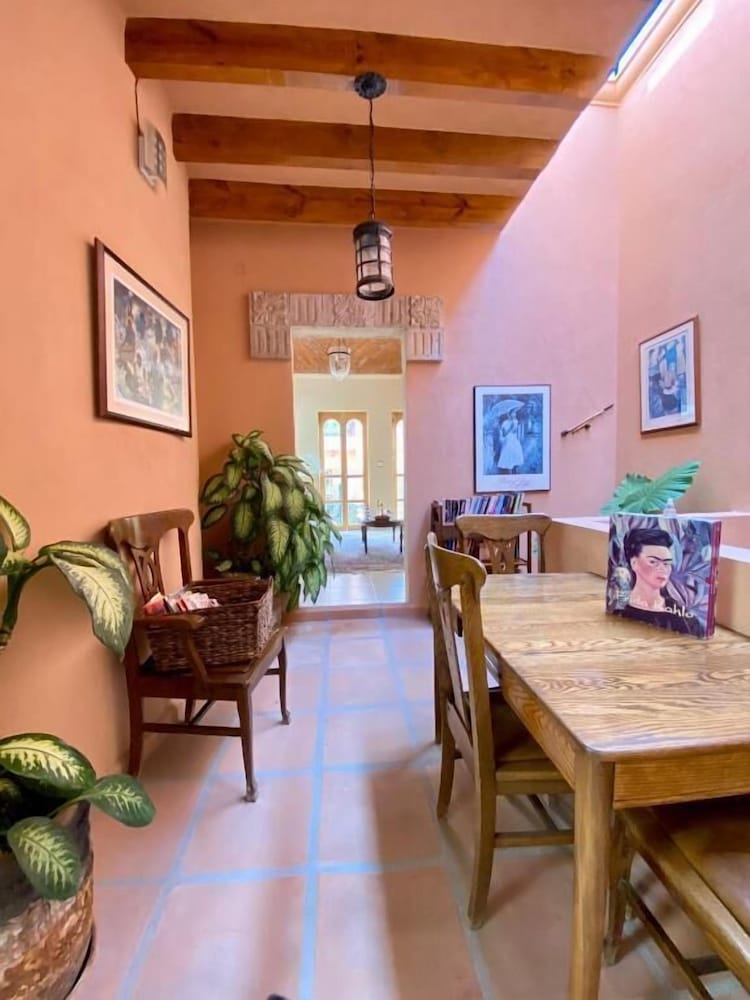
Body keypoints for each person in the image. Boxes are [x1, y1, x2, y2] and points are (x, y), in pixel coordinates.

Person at [615, 527, 702, 636]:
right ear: (634, 563)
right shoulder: (619, 608)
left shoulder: (685, 619)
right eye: (653, 561)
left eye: (666, 563)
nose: (662, 569)